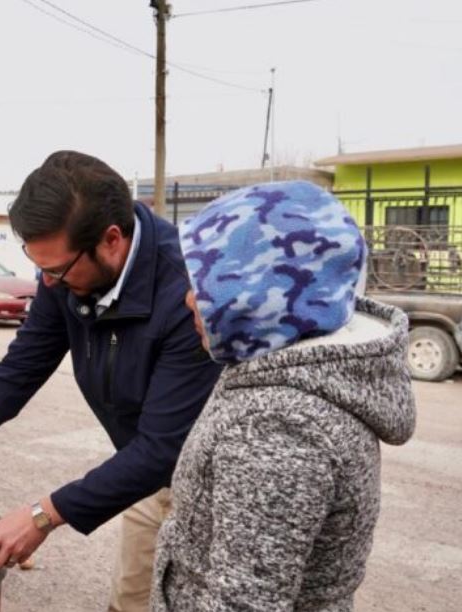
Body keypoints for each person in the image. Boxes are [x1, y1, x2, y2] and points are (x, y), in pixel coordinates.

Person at [0, 151, 224, 611]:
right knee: (131, 601)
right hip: (149, 474)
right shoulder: (64, 277)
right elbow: (19, 370)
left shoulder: (186, 295)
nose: (48, 284)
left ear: (111, 240)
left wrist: (41, 516)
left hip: (215, 481)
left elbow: (162, 447)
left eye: (57, 270)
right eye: (40, 268)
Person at [151, 181, 416, 611]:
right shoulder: (289, 368)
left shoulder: (278, 426)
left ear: (259, 289)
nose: (188, 301)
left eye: (206, 285)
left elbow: (244, 601)